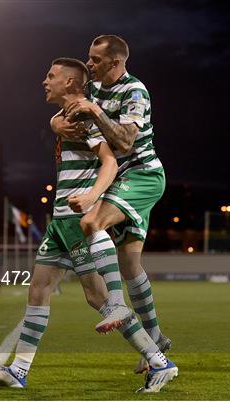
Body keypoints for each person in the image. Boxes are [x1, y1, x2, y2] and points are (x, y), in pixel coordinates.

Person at [0, 58, 175, 392]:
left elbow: (110, 162)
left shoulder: (87, 118)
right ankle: (19, 370)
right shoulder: (66, 117)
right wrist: (55, 122)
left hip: (75, 220)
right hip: (59, 220)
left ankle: (159, 361)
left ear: (70, 83)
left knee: (99, 299)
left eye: (51, 76)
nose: (45, 81)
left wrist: (91, 198)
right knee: (39, 288)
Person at [52, 35, 174, 383]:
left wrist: (96, 111)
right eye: (89, 58)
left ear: (116, 62)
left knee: (92, 221)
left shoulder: (135, 91)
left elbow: (124, 141)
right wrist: (55, 124)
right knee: (130, 264)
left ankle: (117, 305)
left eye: (95, 59)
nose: (88, 64)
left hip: (142, 175)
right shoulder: (92, 89)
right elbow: (65, 108)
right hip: (120, 179)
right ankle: (157, 341)